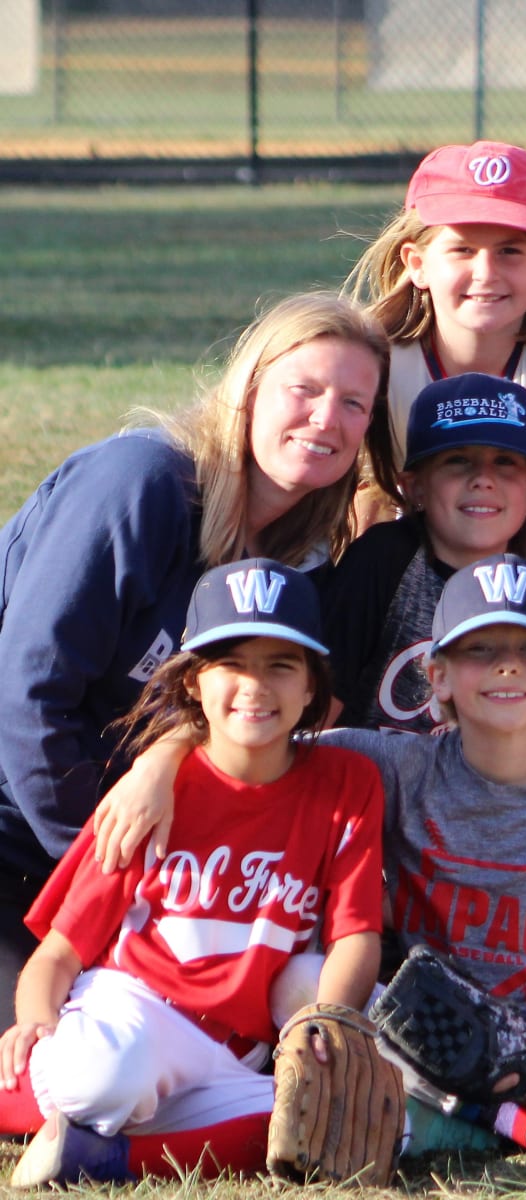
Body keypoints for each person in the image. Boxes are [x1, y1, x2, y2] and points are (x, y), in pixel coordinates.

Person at [98, 555, 526, 1170]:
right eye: (480, 650)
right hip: (425, 1038)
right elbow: (264, 724)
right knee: (303, 980)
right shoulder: (394, 762)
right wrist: (164, 755)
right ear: (437, 675)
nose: (508, 667)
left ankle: (458, 1122)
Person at [0, 291, 398, 1029]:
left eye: (353, 403)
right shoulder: (142, 484)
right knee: (36, 1052)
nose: (326, 419)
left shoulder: (294, 563)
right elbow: (26, 696)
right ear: (248, 389)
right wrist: (112, 886)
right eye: (303, 390)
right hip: (28, 828)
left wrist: (161, 767)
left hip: (115, 845)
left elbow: (229, 711)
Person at [0, 559, 385, 1187]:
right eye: (231, 663)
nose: (255, 686)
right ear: (193, 684)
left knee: (350, 1119)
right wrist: (36, 1022)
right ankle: (61, 1100)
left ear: (313, 687)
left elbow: (355, 935)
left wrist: (327, 1025)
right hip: (135, 1013)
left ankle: (105, 1155)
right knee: (99, 1078)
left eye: (281, 665)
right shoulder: (153, 792)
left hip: (238, 1053)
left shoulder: (347, 783)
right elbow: (59, 953)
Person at [346, 138, 526, 665]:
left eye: (510, 250)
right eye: (461, 249)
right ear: (417, 263)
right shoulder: (380, 354)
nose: (486, 272)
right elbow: (371, 499)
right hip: (417, 524)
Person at [322, 371, 526, 748]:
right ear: (415, 486)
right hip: (377, 790)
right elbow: (319, 713)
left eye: (505, 461)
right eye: (457, 460)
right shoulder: (384, 558)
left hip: (499, 790)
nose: (483, 479)